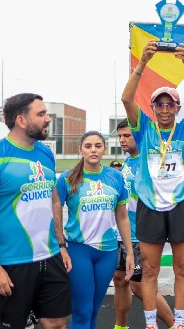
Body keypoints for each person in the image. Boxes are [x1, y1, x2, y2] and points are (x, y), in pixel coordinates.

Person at [122, 43, 184, 329]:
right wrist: (143, 62)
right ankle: (151, 323)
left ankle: (180, 323)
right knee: (149, 270)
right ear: (152, 108)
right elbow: (126, 98)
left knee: (182, 268)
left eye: (169, 104)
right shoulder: (144, 128)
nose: (164, 109)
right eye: (159, 104)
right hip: (150, 205)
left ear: (177, 107)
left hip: (182, 203)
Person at [0, 93, 71, 329]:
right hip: (13, 262)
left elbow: (54, 201)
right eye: (41, 114)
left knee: (57, 323)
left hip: (50, 256)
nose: (48, 119)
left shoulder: (45, 153)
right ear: (21, 120)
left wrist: (61, 245)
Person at [54, 130, 134, 329]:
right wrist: (61, 247)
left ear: (104, 149)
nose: (93, 150)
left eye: (98, 146)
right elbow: (55, 215)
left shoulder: (115, 177)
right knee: (82, 310)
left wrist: (129, 252)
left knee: (94, 309)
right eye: (88, 146)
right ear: (80, 150)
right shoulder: (66, 179)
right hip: (78, 250)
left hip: (108, 252)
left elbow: (122, 217)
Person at [113, 119, 174, 329]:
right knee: (119, 280)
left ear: (138, 135)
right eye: (120, 136)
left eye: (127, 135)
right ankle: (120, 326)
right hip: (121, 233)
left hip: (140, 234)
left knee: (139, 286)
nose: (122, 140)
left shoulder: (149, 161)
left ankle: (175, 325)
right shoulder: (127, 161)